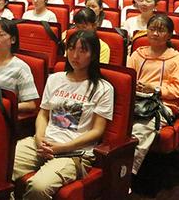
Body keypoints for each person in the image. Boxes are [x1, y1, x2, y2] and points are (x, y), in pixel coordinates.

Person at [13, 30, 114, 199]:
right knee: (3, 164)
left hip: (74, 152)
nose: (75, 55)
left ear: (94, 55)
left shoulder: (103, 88)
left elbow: (97, 131)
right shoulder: (55, 78)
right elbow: (43, 114)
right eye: (71, 49)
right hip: (43, 142)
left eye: (83, 50)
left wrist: (62, 147)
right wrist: (39, 138)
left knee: (39, 187)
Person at [127, 14, 179, 176]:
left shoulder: (177, 59)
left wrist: (154, 89)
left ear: (169, 35)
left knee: (139, 130)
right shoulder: (137, 54)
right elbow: (127, 78)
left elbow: (178, 90)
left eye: (160, 30)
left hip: (161, 105)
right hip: (136, 100)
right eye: (152, 29)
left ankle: (125, 176)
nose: (155, 33)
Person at [0, 19, 38, 111]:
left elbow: (30, 105)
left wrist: (4, 106)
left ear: (13, 40)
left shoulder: (21, 68)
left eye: (1, 35)